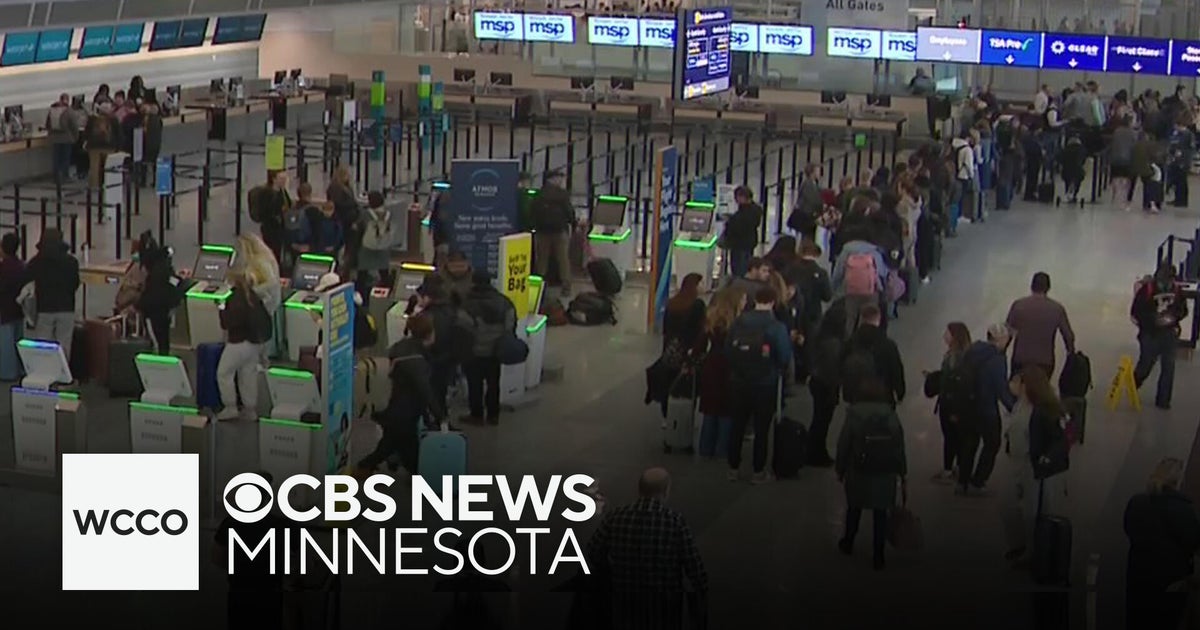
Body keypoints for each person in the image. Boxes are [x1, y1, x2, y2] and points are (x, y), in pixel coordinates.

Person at [585, 468, 708, 630]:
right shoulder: (674, 521)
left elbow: (592, 552)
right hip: (663, 604)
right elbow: (694, 566)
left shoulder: (615, 517)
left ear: (639, 490)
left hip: (624, 600)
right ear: (666, 492)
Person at [355, 313, 446, 476]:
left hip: (393, 404)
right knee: (402, 443)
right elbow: (424, 389)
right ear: (429, 333)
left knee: (394, 442)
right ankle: (365, 467)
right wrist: (440, 415)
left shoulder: (403, 347)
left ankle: (368, 466)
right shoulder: (416, 359)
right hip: (404, 409)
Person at [835, 376, 907, 571]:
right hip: (884, 471)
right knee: (880, 513)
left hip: (859, 468)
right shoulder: (890, 415)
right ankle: (878, 554)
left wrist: (840, 469)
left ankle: (848, 542)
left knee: (854, 507)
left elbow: (844, 444)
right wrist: (902, 471)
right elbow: (899, 446)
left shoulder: (854, 414)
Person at [1124, 457, 1200, 630]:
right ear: (1178, 480)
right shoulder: (1183, 509)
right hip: (1170, 583)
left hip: (1138, 578)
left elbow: (1129, 530)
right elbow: (1194, 542)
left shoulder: (1137, 502)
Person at [726, 287, 792, 484]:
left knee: (737, 426)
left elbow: (728, 349)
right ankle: (758, 471)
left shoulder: (739, 322)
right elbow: (784, 356)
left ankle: (733, 469)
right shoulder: (776, 326)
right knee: (762, 429)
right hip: (765, 382)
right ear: (772, 302)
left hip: (738, 381)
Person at [212, 470, 284, 630]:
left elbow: (218, 559)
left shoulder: (230, 523)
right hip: (270, 595)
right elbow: (298, 565)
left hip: (240, 594)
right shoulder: (280, 525)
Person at [957, 323, 1018, 496]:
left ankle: (962, 482)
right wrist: (1013, 406)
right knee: (992, 443)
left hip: (968, 406)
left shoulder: (973, 350)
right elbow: (1000, 389)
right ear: (1000, 339)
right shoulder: (998, 359)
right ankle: (978, 481)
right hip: (987, 409)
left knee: (969, 443)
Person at [461, 271, 517, 426]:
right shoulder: (504, 301)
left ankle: (476, 415)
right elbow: (510, 324)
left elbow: (463, 328)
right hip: (495, 351)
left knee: (475, 384)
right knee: (493, 384)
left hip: (474, 352)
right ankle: (493, 415)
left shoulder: (467, 303)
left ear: (473, 283)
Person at [693, 287, 743, 458]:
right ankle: (722, 450)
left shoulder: (711, 319)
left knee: (710, 411)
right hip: (730, 367)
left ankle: (705, 449)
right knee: (726, 411)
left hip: (711, 366)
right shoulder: (738, 324)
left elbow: (699, 346)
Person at [215, 270, 271, 421]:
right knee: (248, 374)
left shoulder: (235, 299)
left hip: (237, 343)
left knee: (223, 373)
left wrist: (221, 310)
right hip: (254, 344)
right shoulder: (253, 296)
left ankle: (230, 407)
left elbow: (227, 323)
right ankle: (250, 409)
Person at [1131, 263, 1187, 410]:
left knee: (1169, 367)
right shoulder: (1147, 290)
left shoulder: (1177, 290)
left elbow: (1183, 310)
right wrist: (1153, 321)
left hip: (1169, 333)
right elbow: (1136, 312)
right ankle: (1133, 385)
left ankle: (1163, 401)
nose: (1167, 283)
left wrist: (1173, 318)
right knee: (1146, 364)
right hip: (1150, 334)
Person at [1005, 272, 1076, 376]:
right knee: (1041, 391)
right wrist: (1071, 354)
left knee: (1017, 390)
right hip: (1045, 361)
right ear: (1048, 288)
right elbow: (1068, 336)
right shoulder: (1057, 309)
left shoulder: (1019, 305)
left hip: (1021, 359)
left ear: (1032, 286)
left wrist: (1001, 353)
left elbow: (1007, 333)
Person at [25, 228, 79, 360]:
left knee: (43, 346)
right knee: (64, 345)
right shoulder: (71, 262)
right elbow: (75, 284)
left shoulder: (35, 262)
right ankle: (63, 375)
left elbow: (27, 282)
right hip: (66, 308)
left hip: (44, 308)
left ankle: (45, 372)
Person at [931, 322, 972, 483]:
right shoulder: (958, 354)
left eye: (947, 333)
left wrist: (955, 410)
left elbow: (956, 383)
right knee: (955, 436)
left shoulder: (956, 357)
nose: (944, 335)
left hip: (951, 403)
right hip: (951, 402)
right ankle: (957, 468)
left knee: (951, 436)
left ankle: (950, 470)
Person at [841, 304, 905, 406]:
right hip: (882, 392)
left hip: (857, 392)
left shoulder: (852, 341)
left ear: (862, 319)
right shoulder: (888, 344)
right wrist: (900, 392)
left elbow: (842, 364)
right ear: (878, 319)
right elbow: (896, 369)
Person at [808, 301, 846, 466]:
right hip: (826, 385)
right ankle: (817, 454)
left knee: (818, 419)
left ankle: (813, 451)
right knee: (822, 421)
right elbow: (832, 370)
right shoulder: (834, 344)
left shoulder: (820, 334)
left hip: (817, 380)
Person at [531, 170, 575, 297]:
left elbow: (533, 212)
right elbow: (569, 211)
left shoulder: (539, 194)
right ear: (552, 179)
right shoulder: (562, 194)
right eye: (559, 178)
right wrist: (573, 223)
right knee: (563, 260)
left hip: (542, 232)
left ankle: (539, 287)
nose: (561, 181)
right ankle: (566, 287)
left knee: (541, 261)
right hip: (559, 231)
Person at [134, 239, 181, 354]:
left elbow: (151, 296)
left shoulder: (154, 273)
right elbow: (175, 283)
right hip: (165, 310)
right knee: (164, 341)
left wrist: (138, 305)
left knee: (156, 343)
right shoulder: (165, 268)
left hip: (155, 312)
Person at [784, 239, 832, 339]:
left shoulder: (790, 269)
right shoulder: (821, 273)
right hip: (813, 314)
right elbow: (827, 296)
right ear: (817, 255)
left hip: (793, 312)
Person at [251, 170, 292, 264]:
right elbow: (268, 210)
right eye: (281, 179)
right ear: (274, 179)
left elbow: (288, 204)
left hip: (280, 227)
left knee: (278, 250)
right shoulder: (267, 194)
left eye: (285, 179)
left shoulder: (282, 191)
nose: (284, 181)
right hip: (270, 227)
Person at [663, 273, 706, 359]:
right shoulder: (698, 305)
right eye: (701, 284)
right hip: (688, 351)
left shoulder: (671, 303)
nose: (703, 286)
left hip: (671, 350)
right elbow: (699, 330)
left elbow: (665, 330)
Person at [722, 186, 762, 278]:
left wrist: (730, 221)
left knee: (739, 269)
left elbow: (739, 227)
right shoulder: (754, 210)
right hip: (748, 243)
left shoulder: (746, 212)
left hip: (740, 244)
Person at [0, 233, 24, 380]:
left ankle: (7, 373)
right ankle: (20, 369)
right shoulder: (22, 265)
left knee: (6, 344)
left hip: (4, 311)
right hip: (19, 309)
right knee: (18, 340)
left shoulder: (3, 268)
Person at [357, 191, 392, 290]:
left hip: (368, 246)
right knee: (384, 272)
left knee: (362, 273)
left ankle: (361, 294)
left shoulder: (366, 214)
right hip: (383, 246)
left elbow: (359, 226)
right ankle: (386, 293)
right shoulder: (388, 214)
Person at [46, 93, 78, 184]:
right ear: (68, 100)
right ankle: (64, 176)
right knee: (65, 158)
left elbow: (47, 124)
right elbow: (74, 125)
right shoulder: (69, 111)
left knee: (56, 158)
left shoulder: (52, 110)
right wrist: (75, 137)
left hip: (55, 139)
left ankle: (56, 177)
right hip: (66, 138)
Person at [787, 164, 823, 239]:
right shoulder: (808, 184)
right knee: (807, 236)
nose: (819, 173)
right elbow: (813, 200)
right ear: (812, 173)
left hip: (810, 214)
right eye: (818, 171)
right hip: (807, 215)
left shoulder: (813, 184)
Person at [1109, 116, 1137, 211]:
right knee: (1128, 180)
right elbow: (1134, 146)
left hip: (1115, 159)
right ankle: (1125, 201)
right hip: (1128, 160)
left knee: (1116, 178)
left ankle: (1115, 197)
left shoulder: (1116, 131)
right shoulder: (1133, 133)